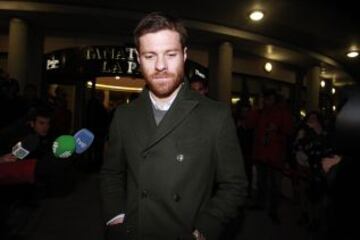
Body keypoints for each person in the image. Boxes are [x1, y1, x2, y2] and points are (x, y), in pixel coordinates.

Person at [100, 12, 247, 240]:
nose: (160, 66)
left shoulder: (215, 115)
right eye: (150, 56)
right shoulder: (124, 115)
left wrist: (204, 230)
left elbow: (234, 185)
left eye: (170, 54)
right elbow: (111, 173)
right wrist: (116, 218)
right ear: (139, 59)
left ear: (184, 55)